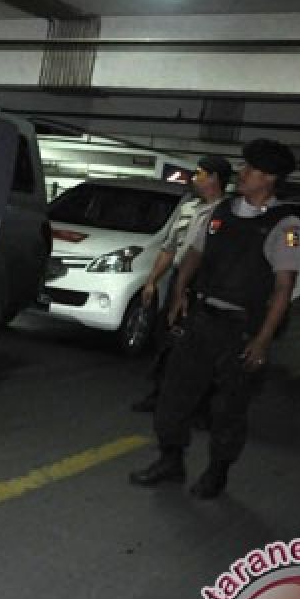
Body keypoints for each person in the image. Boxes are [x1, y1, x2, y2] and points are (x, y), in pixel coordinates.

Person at [129, 138, 300, 499]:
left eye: (252, 170)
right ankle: (171, 460)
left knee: (228, 407)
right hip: (202, 318)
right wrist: (179, 292)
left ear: (270, 178)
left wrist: (263, 340)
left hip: (241, 328)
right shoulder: (220, 211)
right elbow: (193, 253)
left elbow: (284, 287)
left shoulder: (285, 224)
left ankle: (218, 471)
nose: (242, 174)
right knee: (174, 394)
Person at [132, 155, 233, 412]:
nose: (194, 179)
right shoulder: (188, 207)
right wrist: (152, 281)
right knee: (166, 336)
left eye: (199, 173)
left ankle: (199, 405)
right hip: (180, 278)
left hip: (208, 285)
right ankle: (160, 395)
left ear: (214, 179)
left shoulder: (228, 213)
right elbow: (169, 248)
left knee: (200, 346)